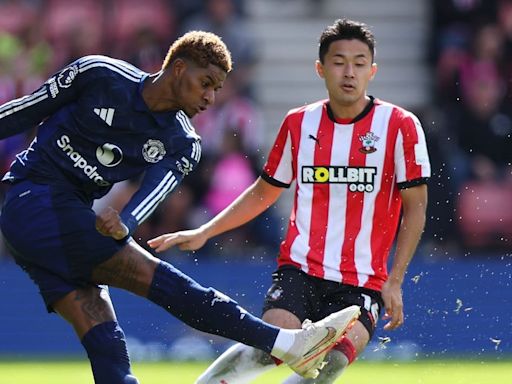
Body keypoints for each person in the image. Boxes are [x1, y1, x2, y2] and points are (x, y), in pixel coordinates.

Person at [0, 30, 361, 383]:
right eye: (205, 82)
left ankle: (284, 344)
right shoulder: (98, 74)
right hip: (31, 198)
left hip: (65, 222)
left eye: (217, 89)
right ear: (177, 68)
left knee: (108, 350)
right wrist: (120, 229)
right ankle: (285, 343)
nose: (210, 97)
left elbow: (151, 195)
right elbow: (25, 111)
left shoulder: (182, 142)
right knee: (151, 275)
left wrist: (125, 222)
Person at [149, 19, 431, 384]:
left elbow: (416, 207)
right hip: (301, 269)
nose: (349, 72)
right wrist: (206, 231)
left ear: (372, 70)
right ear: (320, 68)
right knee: (269, 345)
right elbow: (265, 192)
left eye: (360, 63)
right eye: (339, 61)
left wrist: (395, 280)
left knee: (329, 365)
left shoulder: (400, 125)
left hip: (363, 281)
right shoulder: (300, 123)